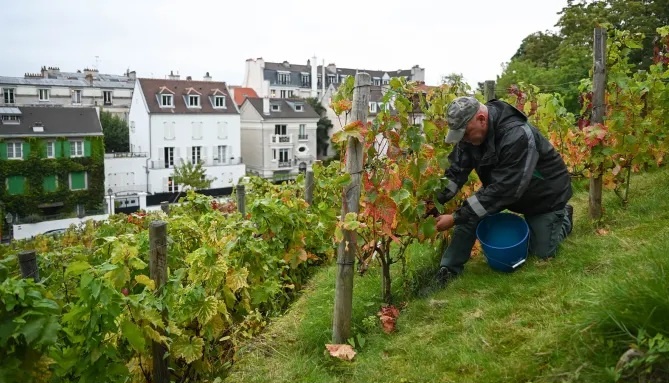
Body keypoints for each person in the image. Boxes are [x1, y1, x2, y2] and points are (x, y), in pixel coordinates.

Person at [433, 96, 573, 285]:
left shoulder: (517, 136)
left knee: (540, 254)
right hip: (506, 189)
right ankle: (448, 270)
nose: (463, 139)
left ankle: (563, 218)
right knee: (470, 215)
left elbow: (503, 190)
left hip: (545, 196)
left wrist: (454, 217)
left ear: (482, 119)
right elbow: (456, 171)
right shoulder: (470, 137)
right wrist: (434, 201)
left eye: (465, 133)